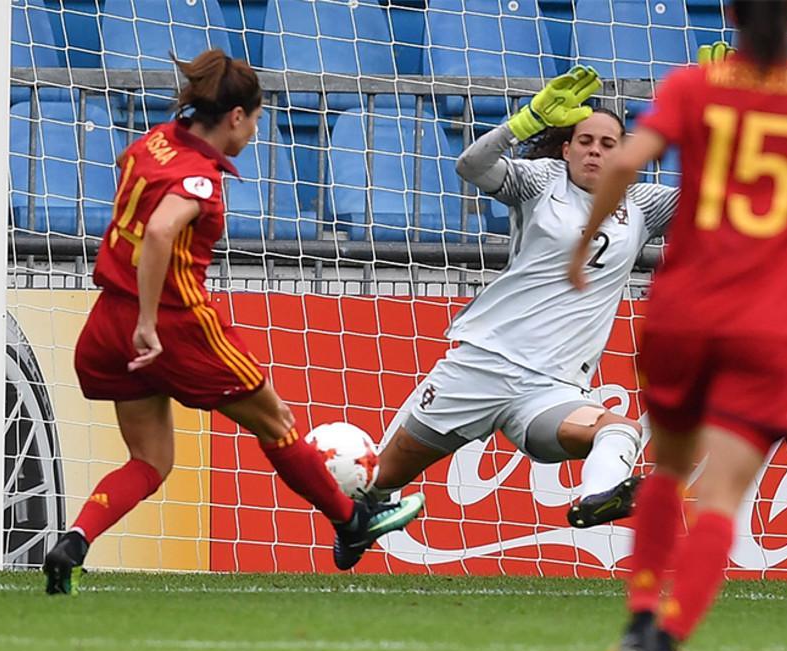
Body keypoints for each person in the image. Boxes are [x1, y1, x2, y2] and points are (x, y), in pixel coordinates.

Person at [570, 3, 787, 651]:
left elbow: (625, 165)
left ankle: (640, 618)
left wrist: (579, 249)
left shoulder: (692, 85)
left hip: (683, 313)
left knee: (669, 471)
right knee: (721, 498)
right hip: (770, 323)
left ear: (730, 14)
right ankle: (665, 644)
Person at [41, 49, 424, 595]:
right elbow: (159, 233)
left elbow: (142, 212)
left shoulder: (152, 142)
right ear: (237, 117)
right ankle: (350, 521)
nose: (255, 132)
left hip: (107, 322)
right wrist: (150, 321)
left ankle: (76, 539)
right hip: (174, 326)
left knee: (149, 462)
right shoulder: (199, 179)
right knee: (278, 422)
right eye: (258, 119)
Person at [367, 54, 718, 541]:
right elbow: (471, 165)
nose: (595, 151)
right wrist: (524, 121)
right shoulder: (540, 182)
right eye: (586, 141)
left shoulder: (642, 205)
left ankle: (599, 497)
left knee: (619, 430)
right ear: (567, 148)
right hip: (482, 367)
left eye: (608, 144)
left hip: (550, 390)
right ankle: (356, 522)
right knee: (380, 477)